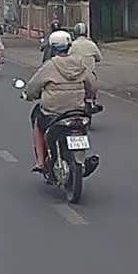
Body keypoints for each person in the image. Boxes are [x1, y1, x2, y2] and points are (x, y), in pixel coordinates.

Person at [25, 31, 97, 173]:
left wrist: (28, 95)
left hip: (53, 112)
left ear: (52, 48)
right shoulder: (80, 64)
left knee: (38, 124)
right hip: (77, 111)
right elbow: (92, 85)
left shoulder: (49, 66)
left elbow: (33, 87)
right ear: (69, 46)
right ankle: (81, 158)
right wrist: (88, 97)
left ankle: (40, 162)